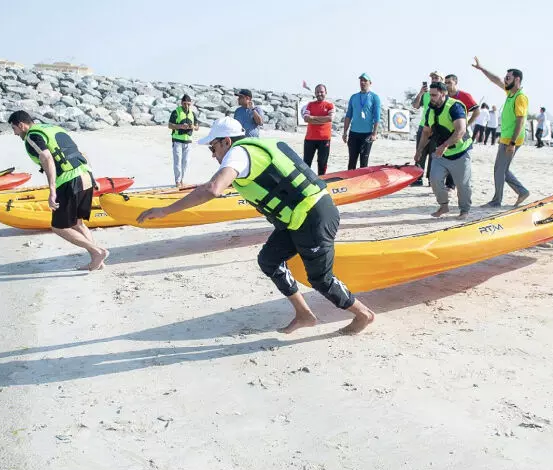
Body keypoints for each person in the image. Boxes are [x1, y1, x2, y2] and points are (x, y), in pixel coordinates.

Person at [137, 117, 376, 334]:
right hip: (296, 218)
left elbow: (213, 189)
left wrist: (165, 211)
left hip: (314, 216)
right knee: (269, 260)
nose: (212, 154)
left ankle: (363, 314)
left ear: (226, 142)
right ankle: (304, 314)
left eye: (213, 147)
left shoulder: (238, 153)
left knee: (320, 279)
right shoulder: (252, 149)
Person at [7, 110, 109, 270]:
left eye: (14, 129)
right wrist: (92, 177)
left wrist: (52, 190)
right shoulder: (52, 128)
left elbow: (47, 158)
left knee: (59, 227)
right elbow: (80, 152)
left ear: (22, 125)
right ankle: (97, 260)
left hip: (69, 180)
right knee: (78, 223)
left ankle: (97, 251)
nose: (15, 134)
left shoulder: (32, 137)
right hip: (85, 175)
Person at [472, 57, 531, 207]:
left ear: (517, 80)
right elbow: (495, 79)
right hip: (506, 138)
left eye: (508, 78)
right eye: (506, 77)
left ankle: (497, 200)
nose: (505, 80)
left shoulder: (520, 97)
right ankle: (522, 192)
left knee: (500, 170)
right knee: (502, 170)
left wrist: (512, 142)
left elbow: (520, 121)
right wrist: (481, 68)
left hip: (512, 139)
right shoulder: (510, 93)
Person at [414, 82, 473, 219]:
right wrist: (419, 150)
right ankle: (444, 206)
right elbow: (426, 132)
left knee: (463, 185)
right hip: (442, 153)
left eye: (434, 95)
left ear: (443, 93)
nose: (431, 98)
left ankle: (464, 210)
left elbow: (461, 130)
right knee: (434, 179)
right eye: (430, 95)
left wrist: (444, 145)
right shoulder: (430, 110)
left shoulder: (454, 107)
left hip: (461, 152)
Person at [435, 74, 479, 190]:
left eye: (449, 82)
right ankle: (445, 182)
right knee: (447, 153)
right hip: (448, 130)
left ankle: (452, 184)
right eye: (446, 82)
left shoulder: (464, 96)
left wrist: (467, 123)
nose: (447, 84)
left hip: (461, 129)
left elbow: (476, 111)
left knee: (460, 153)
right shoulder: (444, 96)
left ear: (456, 82)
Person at [411, 70, 445, 185]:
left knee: (434, 155)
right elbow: (415, 106)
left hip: (437, 129)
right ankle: (417, 178)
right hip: (423, 126)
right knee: (420, 152)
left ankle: (432, 179)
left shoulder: (444, 95)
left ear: (441, 79)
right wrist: (420, 93)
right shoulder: (426, 93)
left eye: (436, 77)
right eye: (432, 77)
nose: (433, 79)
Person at [342, 73, 381, 170]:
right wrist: (345, 132)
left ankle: (362, 183)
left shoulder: (374, 97)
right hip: (354, 133)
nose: (362, 82)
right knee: (352, 161)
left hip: (367, 135)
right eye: (361, 80)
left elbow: (377, 117)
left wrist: (374, 133)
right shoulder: (354, 97)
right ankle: (350, 182)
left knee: (364, 162)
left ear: (370, 83)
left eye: (365, 81)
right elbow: (348, 115)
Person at [302, 84, 334, 175]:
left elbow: (330, 118)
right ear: (315, 93)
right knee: (306, 164)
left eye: (321, 92)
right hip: (310, 139)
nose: (319, 94)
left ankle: (321, 181)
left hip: (324, 139)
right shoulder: (310, 104)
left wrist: (313, 119)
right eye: (317, 92)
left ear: (326, 93)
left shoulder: (330, 105)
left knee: (322, 164)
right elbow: (306, 119)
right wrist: (322, 119)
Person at [168, 94, 199, 187]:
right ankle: (177, 181)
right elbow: (170, 125)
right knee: (177, 161)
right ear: (181, 103)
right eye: (185, 104)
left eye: (188, 104)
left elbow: (197, 127)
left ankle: (182, 180)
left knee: (185, 162)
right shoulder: (176, 112)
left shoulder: (192, 114)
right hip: (177, 140)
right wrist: (180, 126)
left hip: (188, 141)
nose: (187, 106)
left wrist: (193, 127)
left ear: (191, 104)